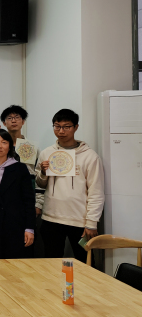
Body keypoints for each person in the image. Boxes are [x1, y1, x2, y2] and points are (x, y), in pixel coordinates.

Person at [35, 109, 104, 264]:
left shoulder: (90, 156)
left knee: (85, 263)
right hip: (51, 217)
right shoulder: (46, 153)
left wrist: (91, 222)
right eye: (57, 126)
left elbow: (96, 191)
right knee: (52, 262)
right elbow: (40, 184)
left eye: (66, 127)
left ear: (76, 127)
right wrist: (44, 172)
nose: (61, 131)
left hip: (79, 220)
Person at [0, 129, 35, 259]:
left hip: (15, 226)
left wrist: (29, 228)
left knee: (14, 264)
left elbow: (29, 200)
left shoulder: (20, 168)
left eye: (4, 142)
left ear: (10, 146)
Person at [0, 105, 45, 256]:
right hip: (5, 201)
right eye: (10, 118)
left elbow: (38, 177)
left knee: (26, 244)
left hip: (26, 200)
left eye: (17, 117)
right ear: (4, 123)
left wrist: (38, 203)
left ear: (23, 122)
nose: (13, 121)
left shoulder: (32, 147)